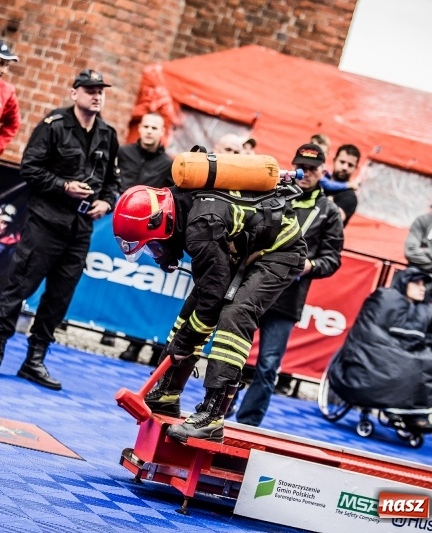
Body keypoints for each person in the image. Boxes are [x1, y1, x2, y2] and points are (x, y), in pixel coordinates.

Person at [113, 165, 307, 442]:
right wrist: (184, 342)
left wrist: (184, 344)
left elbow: (213, 299)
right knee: (194, 304)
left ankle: (213, 416)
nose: (157, 253)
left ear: (163, 222)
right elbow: (207, 290)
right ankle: (167, 393)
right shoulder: (179, 204)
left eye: (154, 245)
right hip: (247, 246)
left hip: (281, 251)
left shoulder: (199, 227)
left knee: (235, 315)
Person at [0, 69, 119, 389]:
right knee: (19, 287)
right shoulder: (54, 125)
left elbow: (113, 181)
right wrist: (63, 186)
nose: (97, 95)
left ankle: (34, 360)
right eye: (90, 90)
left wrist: (107, 203)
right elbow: (30, 168)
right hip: (46, 221)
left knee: (58, 298)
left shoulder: (107, 134)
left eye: (101, 91)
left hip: (81, 227)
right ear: (75, 93)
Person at [235, 143, 343, 426]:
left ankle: (247, 426)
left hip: (287, 299)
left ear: (323, 172)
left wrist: (309, 266)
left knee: (268, 365)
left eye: (312, 169)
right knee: (232, 350)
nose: (305, 173)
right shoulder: (275, 195)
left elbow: (332, 259)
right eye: (301, 167)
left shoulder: (330, 212)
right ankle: (218, 408)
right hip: (254, 286)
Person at [327, 267, 432, 433]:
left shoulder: (427, 310)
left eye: (424, 284)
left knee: (430, 363)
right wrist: (400, 349)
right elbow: (369, 329)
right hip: (380, 350)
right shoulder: (384, 298)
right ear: (404, 283)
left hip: (408, 352)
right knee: (401, 361)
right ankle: (396, 409)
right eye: (417, 283)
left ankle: (415, 415)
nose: (422, 288)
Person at [100, 112, 173, 356]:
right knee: (106, 275)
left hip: (146, 233)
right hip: (113, 224)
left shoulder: (169, 164)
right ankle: (105, 326)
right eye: (146, 126)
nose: (150, 131)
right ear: (139, 128)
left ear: (162, 131)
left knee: (137, 284)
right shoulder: (123, 153)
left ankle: (135, 341)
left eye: (155, 127)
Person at [324, 144, 361, 226]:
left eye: (350, 165)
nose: (345, 167)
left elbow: (333, 220)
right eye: (342, 162)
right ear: (334, 160)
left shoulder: (349, 197)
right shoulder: (320, 180)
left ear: (356, 168)